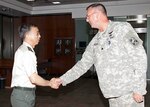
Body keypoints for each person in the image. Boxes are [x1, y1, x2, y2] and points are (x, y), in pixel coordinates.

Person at [52, 3, 147, 107]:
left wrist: (139, 88)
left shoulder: (122, 28)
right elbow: (82, 65)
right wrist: (62, 79)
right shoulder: (95, 41)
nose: (86, 20)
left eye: (88, 16)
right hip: (112, 95)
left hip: (129, 93)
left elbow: (139, 57)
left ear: (97, 15)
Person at [10, 24, 58, 107]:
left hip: (24, 94)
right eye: (37, 33)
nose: (40, 36)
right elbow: (33, 78)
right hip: (23, 96)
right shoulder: (27, 52)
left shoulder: (25, 50)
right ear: (28, 35)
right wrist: (49, 83)